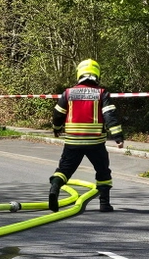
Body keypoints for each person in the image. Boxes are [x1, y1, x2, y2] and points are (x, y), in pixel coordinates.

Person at [48, 59, 124, 213]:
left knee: (64, 170)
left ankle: (55, 188)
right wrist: (118, 136)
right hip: (95, 142)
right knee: (103, 171)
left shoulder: (68, 93)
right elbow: (110, 115)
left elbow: (58, 114)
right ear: (97, 74)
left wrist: (56, 128)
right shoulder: (102, 93)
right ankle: (104, 204)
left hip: (72, 142)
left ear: (79, 73)